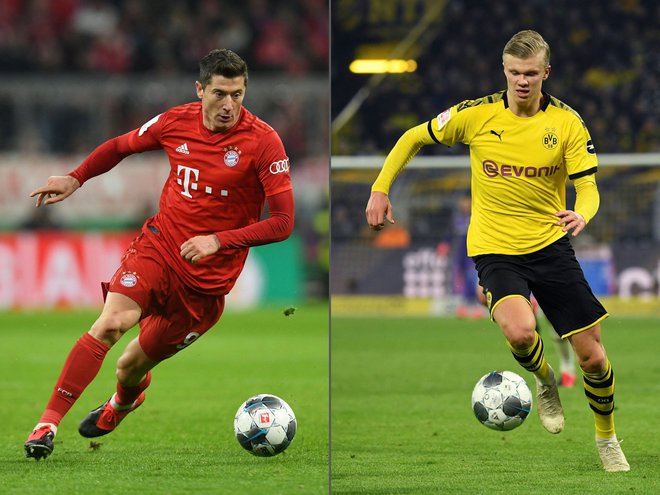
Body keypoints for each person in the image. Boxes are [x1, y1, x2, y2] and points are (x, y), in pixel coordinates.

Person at [365, 30, 628, 472]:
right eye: (514, 72)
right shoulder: (475, 114)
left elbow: (589, 188)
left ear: (546, 72)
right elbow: (412, 137)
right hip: (494, 249)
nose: (522, 81)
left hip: (550, 247)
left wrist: (583, 215)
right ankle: (545, 379)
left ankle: (607, 440)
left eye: (530, 73)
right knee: (522, 333)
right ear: (503, 71)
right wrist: (379, 188)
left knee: (594, 358)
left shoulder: (567, 123)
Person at [24, 48, 294, 460]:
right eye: (220, 94)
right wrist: (76, 178)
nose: (229, 105)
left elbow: (283, 223)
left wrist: (218, 240)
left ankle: (122, 403)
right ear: (200, 89)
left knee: (129, 367)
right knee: (111, 324)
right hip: (160, 248)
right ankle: (46, 424)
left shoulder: (263, 142)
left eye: (238, 95)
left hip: (205, 287)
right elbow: (120, 146)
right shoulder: (175, 121)